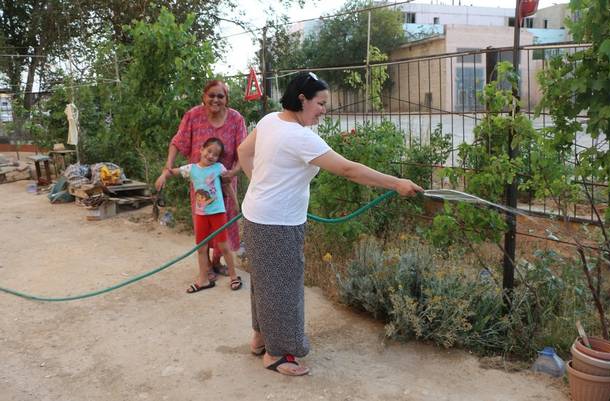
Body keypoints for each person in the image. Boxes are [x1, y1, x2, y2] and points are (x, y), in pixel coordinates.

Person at [237, 72, 423, 376]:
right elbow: (349, 170)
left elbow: (243, 151)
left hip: (256, 215)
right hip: (279, 224)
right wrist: (396, 183)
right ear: (302, 99)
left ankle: (261, 338)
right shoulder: (300, 137)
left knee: (264, 281)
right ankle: (277, 353)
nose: (324, 110)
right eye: (321, 103)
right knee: (283, 287)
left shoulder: (270, 120)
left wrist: (260, 185)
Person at [155, 80, 247, 281]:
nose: (215, 99)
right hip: (201, 185)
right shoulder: (193, 115)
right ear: (204, 97)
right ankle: (205, 269)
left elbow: (243, 150)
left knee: (223, 224)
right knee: (203, 224)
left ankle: (217, 262)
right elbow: (177, 142)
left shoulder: (236, 119)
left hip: (225, 182)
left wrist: (234, 172)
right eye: (211, 95)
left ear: (226, 99)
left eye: (220, 96)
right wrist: (168, 168)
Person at [159, 138, 242, 292]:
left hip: (218, 212)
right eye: (209, 151)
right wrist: (163, 176)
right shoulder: (192, 169)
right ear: (201, 149)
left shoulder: (218, 168)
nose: (211, 156)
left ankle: (233, 277)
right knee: (201, 248)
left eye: (215, 154)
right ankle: (203, 280)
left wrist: (236, 203)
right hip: (201, 214)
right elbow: (173, 172)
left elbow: (227, 185)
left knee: (224, 247)